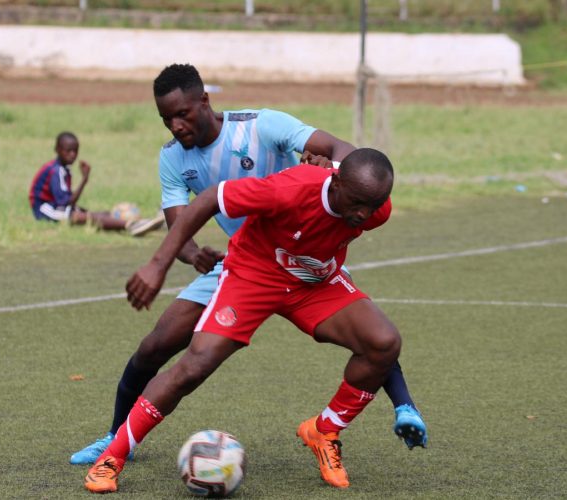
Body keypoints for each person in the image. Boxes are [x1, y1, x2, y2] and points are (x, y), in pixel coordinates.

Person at [69, 64, 426, 465]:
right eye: (166, 119)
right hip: (243, 264)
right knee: (157, 345)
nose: (175, 126)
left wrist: (333, 170)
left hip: (302, 253)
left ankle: (402, 407)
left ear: (204, 101)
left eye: (182, 114)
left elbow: (339, 147)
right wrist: (191, 255)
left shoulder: (261, 126)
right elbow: (179, 226)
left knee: (370, 331)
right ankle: (117, 438)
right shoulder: (172, 159)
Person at [85, 148, 402, 493]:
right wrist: (158, 264)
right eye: (356, 202)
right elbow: (209, 199)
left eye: (372, 205)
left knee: (383, 342)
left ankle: (324, 430)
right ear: (335, 182)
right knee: (195, 366)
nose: (363, 214)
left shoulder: (374, 209)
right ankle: (111, 458)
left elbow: (359, 203)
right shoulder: (289, 190)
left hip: (312, 282)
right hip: (254, 274)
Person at [28, 131, 164, 237]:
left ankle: (142, 222)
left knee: (98, 213)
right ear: (57, 149)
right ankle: (130, 225)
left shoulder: (63, 169)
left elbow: (66, 201)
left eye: (75, 151)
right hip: (44, 210)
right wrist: (84, 179)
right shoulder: (56, 170)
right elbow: (65, 203)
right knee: (82, 217)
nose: (72, 155)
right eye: (68, 151)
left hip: (56, 206)